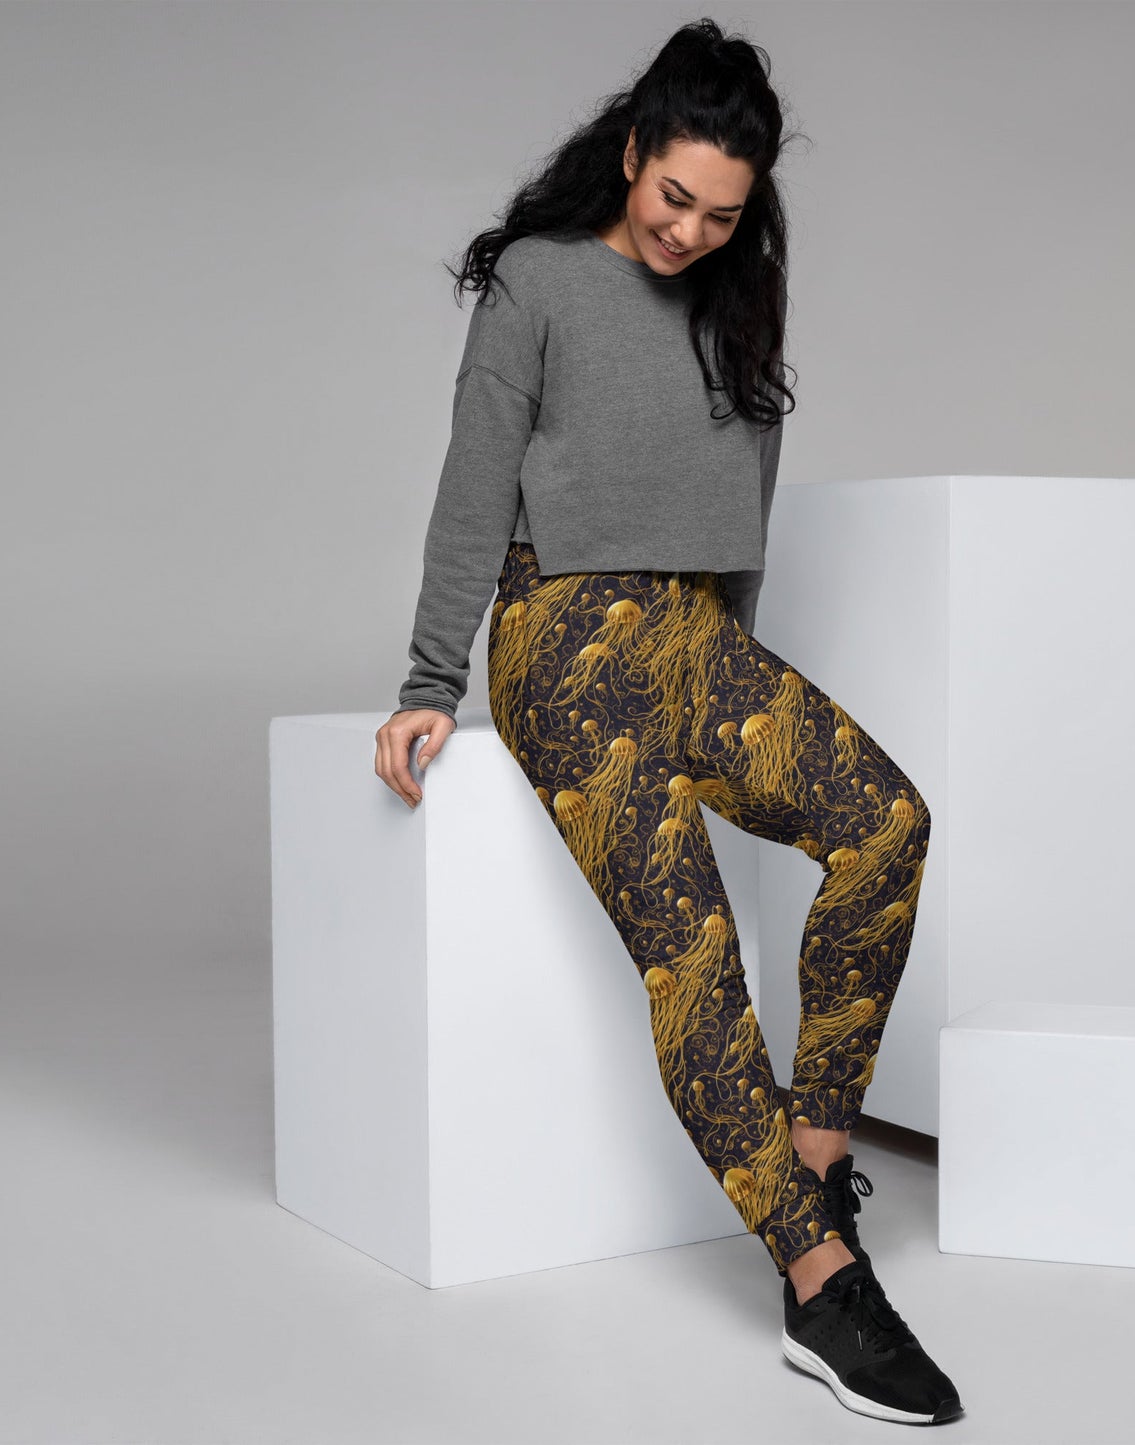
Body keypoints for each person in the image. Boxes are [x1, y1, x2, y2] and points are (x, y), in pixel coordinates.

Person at [374, 18, 963, 1427]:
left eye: (722, 214)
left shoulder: (735, 301)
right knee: (694, 954)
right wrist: (429, 681)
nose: (689, 231)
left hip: (702, 642)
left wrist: (736, 673)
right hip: (565, 642)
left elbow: (741, 506)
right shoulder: (538, 281)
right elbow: (474, 482)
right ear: (633, 151)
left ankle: (813, 1157)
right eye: (673, 196)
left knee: (888, 826)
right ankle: (819, 1285)